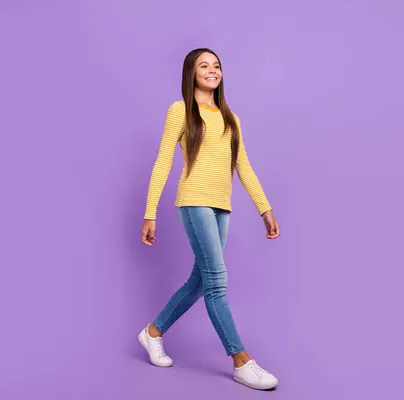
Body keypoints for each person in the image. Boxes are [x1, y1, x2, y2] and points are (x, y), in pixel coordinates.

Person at [138, 48, 280, 390]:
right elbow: (162, 162)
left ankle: (152, 332)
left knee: (200, 281)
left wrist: (265, 207)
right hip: (193, 202)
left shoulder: (231, 117)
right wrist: (150, 213)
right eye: (204, 65)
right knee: (217, 282)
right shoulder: (180, 111)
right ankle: (241, 361)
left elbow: (242, 166)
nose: (212, 71)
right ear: (192, 73)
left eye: (216, 66)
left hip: (221, 206)